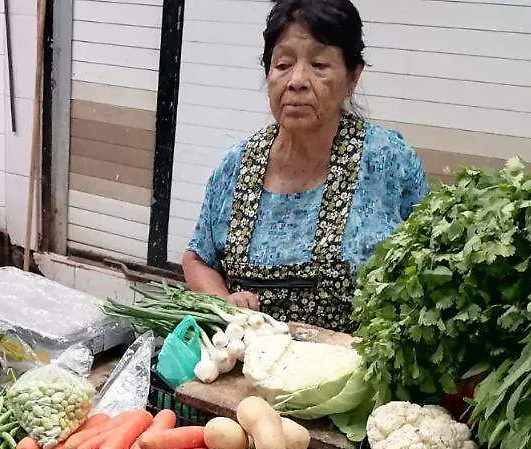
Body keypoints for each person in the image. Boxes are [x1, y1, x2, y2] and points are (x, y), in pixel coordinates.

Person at [182, 0, 428, 333]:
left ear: (353, 76)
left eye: (319, 64)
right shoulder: (235, 167)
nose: (297, 80)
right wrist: (223, 300)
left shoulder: (389, 162)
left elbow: (428, 269)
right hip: (250, 371)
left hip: (356, 377)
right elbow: (197, 258)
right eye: (283, 64)